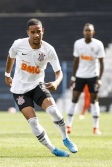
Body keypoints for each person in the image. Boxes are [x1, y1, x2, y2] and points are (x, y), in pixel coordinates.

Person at [5, 18, 78, 157]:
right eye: (33, 32)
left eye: (38, 31)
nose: (36, 35)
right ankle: (53, 149)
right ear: (28, 33)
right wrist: (7, 74)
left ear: (43, 31)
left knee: (54, 111)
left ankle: (65, 138)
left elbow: (59, 71)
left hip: (37, 85)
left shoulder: (48, 49)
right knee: (33, 121)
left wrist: (56, 82)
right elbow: (10, 56)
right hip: (19, 90)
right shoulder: (18, 44)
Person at [66, 23, 105, 135]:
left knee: (94, 101)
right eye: (86, 30)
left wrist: (99, 78)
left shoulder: (98, 44)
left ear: (93, 32)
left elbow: (102, 63)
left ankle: (95, 128)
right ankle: (68, 126)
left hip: (93, 75)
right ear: (83, 32)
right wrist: (73, 77)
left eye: (90, 30)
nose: (88, 32)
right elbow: (76, 61)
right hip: (80, 76)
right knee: (74, 98)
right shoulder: (78, 43)